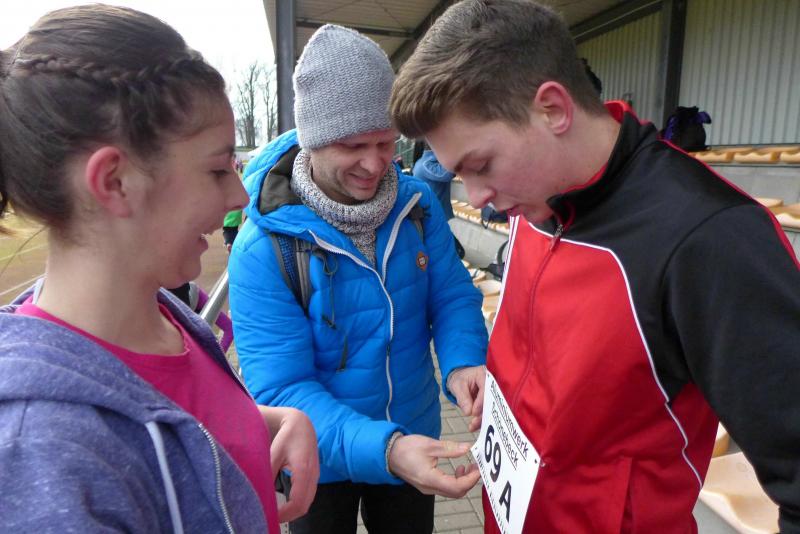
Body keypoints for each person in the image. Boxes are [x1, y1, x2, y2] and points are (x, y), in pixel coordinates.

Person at [390, 1, 800, 533]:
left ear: (553, 110)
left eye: (481, 165)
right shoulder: (536, 193)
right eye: (459, 174)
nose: (477, 196)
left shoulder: (710, 237)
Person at [0, 5, 318, 532]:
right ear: (115, 181)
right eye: (217, 170)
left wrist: (274, 422)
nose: (239, 196)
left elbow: (172, 417)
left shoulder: (169, 316)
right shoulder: (44, 457)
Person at [228, 24, 488, 534]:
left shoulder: (416, 207)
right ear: (313, 141)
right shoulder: (263, 247)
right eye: (353, 146)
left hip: (413, 431)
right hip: (318, 456)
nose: (375, 164)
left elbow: (452, 294)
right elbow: (281, 387)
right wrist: (387, 449)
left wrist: (463, 362)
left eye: (387, 142)